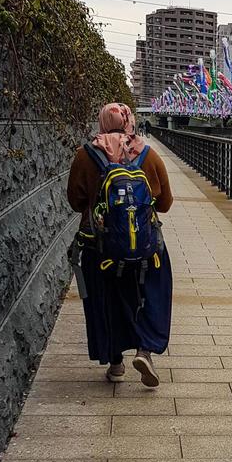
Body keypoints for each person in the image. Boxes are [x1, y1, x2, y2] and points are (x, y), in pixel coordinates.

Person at [67, 103, 173, 386]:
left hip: (98, 246)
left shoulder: (85, 156)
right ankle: (144, 350)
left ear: (101, 123)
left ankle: (115, 363)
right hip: (144, 246)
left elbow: (76, 202)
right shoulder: (148, 155)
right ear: (131, 123)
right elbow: (165, 204)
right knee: (150, 293)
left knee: (105, 299)